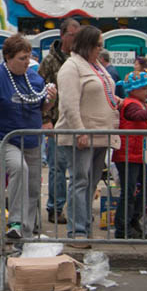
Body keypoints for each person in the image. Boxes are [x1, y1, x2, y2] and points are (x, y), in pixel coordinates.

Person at [0, 34, 57, 243]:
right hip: (2, 139)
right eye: (21, 58)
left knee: (33, 186)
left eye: (28, 58)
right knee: (19, 168)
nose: (27, 62)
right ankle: (15, 221)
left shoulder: (33, 77)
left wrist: (51, 100)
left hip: (31, 140)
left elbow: (41, 107)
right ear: (8, 57)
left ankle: (24, 234)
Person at [55, 25, 120, 247]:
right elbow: (69, 104)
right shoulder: (71, 68)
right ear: (87, 45)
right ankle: (76, 231)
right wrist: (79, 131)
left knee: (91, 183)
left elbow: (103, 91)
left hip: (101, 133)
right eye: (98, 45)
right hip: (81, 135)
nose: (101, 50)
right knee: (79, 181)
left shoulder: (95, 66)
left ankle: (85, 225)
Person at [39, 18, 81, 225]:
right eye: (73, 35)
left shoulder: (81, 59)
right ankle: (55, 208)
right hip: (56, 121)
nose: (76, 39)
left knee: (79, 169)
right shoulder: (49, 61)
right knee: (57, 167)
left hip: (78, 121)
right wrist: (45, 119)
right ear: (63, 35)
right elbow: (39, 89)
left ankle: (77, 210)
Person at [113, 70, 147, 239]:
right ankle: (123, 227)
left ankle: (133, 218)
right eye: (144, 88)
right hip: (127, 154)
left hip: (139, 154)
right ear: (134, 90)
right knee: (128, 192)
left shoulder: (140, 103)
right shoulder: (131, 104)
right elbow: (136, 116)